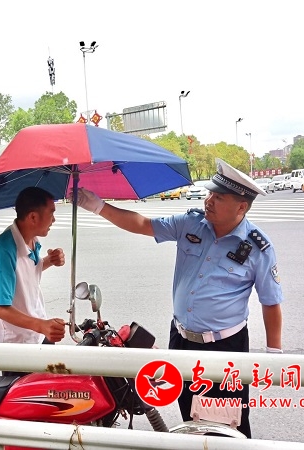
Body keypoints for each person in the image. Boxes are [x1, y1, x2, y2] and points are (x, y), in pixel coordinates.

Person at [72, 158, 283, 438]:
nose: (209, 201)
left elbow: (270, 302)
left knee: (226, 427)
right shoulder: (190, 224)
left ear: (241, 207)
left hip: (224, 349)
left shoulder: (257, 247)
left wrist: (274, 356)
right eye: (210, 194)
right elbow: (142, 224)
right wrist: (98, 206)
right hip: (182, 341)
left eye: (219, 198)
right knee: (191, 417)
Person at [0, 186, 66, 377]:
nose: (54, 220)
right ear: (33, 217)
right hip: (17, 348)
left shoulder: (32, 240)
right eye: (51, 213)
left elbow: (27, 272)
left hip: (38, 336)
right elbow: (0, 308)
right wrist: (41, 325)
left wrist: (49, 261)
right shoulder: (4, 249)